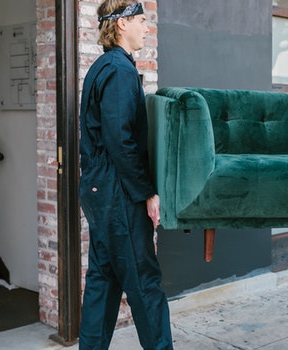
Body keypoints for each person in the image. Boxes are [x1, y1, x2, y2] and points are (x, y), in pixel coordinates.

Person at [78, 1, 173, 349]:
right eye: (142, 20)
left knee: (102, 283)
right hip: (118, 193)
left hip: (99, 189)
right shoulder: (118, 70)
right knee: (145, 284)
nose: (147, 28)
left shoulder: (102, 67)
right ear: (121, 24)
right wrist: (146, 192)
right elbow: (121, 141)